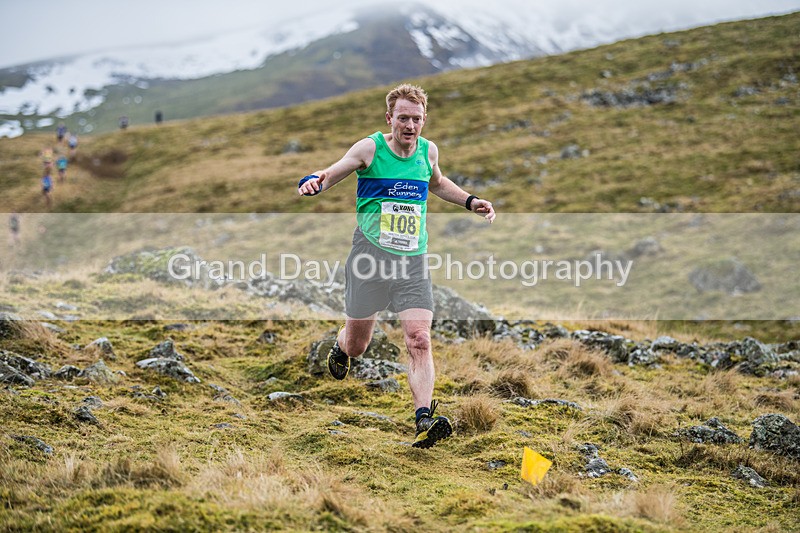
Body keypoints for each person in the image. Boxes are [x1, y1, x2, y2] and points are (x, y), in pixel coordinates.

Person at [297, 83, 496, 449]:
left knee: (419, 339)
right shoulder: (370, 148)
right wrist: (314, 182)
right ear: (390, 118)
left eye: (416, 119)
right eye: (403, 118)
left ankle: (424, 419)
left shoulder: (428, 151)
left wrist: (470, 201)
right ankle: (341, 346)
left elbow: (436, 183)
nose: (410, 125)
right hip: (369, 258)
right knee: (359, 345)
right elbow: (336, 171)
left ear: (424, 120)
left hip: (412, 261)